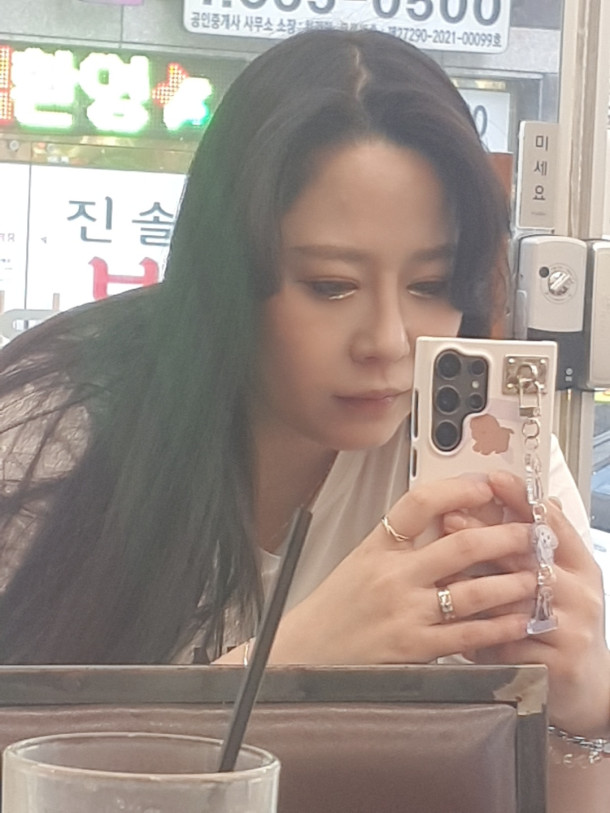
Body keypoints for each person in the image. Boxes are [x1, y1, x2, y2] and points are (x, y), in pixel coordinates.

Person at [0, 28, 608, 809]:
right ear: (228, 272)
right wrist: (298, 663)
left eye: (430, 284)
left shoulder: (486, 443)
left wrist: (584, 707)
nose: (388, 341)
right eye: (330, 285)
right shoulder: (54, 427)